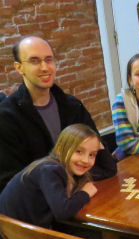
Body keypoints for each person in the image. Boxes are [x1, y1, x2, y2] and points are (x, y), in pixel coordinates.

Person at [0, 36, 113, 191]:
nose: (45, 67)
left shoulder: (73, 106)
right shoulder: (6, 117)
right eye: (34, 61)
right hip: (40, 208)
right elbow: (11, 182)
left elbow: (101, 160)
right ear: (19, 67)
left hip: (79, 195)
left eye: (49, 59)